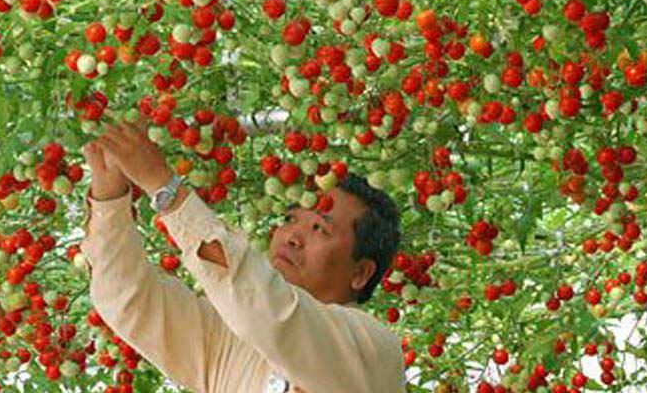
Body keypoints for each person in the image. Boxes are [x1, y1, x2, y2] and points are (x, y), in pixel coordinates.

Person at [80, 118, 406, 393]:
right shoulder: (227, 339)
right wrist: (109, 199)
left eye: (320, 228)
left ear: (361, 273)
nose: (292, 236)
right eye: (291, 219)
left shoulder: (370, 348)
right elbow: (129, 301)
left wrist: (165, 188)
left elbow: (267, 311)